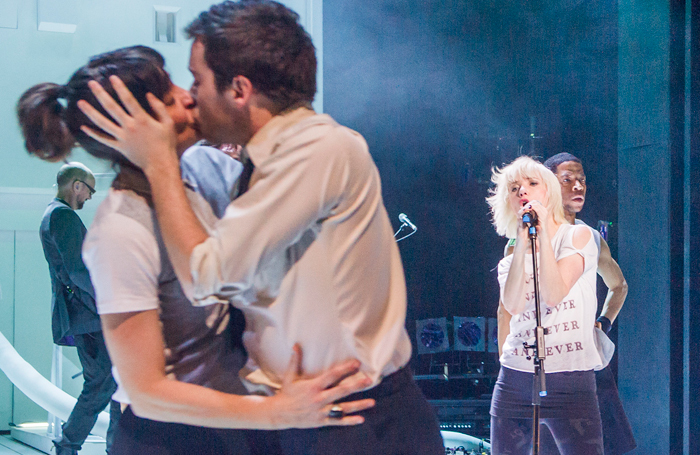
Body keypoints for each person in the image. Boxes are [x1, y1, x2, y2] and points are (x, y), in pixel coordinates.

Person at [77, 2, 444, 454]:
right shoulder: (235, 170)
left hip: (356, 418)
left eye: (195, 80)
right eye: (181, 90)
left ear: (239, 90)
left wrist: (157, 162)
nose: (192, 97)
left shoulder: (314, 149)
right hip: (284, 420)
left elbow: (206, 276)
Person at [17, 45, 375, 455]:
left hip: (244, 424)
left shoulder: (208, 168)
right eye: (170, 99)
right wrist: (278, 412)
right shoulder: (119, 230)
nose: (189, 96)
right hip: (174, 437)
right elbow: (146, 390)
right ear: (132, 128)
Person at [486, 156, 604, 454]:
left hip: (571, 380)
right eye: (514, 188)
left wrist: (542, 243)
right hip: (515, 379)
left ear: (548, 191)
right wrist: (524, 243)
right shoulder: (509, 260)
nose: (522, 191)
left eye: (531, 184)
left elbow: (554, 292)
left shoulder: (579, 236)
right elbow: (511, 305)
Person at [539, 152, 636, 455]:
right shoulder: (531, 236)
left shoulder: (592, 238)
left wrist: (601, 324)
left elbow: (618, 285)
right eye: (567, 180)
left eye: (581, 180)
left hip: (584, 366)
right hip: (543, 366)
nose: (577, 186)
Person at [34, 162, 120, 455]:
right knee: (102, 384)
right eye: (90, 190)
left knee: (111, 382)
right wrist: (108, 306)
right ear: (77, 186)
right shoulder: (62, 216)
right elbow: (79, 272)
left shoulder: (53, 215)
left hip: (84, 316)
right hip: (89, 317)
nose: (90, 197)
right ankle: (68, 445)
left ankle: (113, 447)